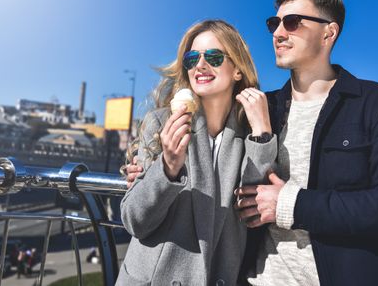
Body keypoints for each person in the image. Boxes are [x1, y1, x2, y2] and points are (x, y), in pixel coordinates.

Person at [234, 0, 378, 285]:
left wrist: (292, 205)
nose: (278, 33)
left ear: (329, 32)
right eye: (274, 23)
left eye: (292, 22)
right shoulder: (262, 106)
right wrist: (153, 162)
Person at [116, 20, 277, 285]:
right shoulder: (161, 123)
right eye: (192, 58)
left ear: (237, 69)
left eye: (213, 57)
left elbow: (251, 213)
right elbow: (135, 221)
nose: (200, 65)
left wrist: (261, 133)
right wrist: (167, 168)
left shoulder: (252, 136)